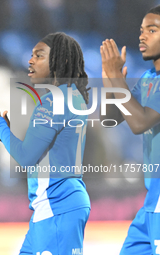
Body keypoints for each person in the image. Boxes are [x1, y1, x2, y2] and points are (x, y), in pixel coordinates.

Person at [0, 32, 91, 255]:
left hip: (57, 206)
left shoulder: (51, 102)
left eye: (39, 55)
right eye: (31, 55)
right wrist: (3, 132)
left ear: (61, 61)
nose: (30, 60)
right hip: (55, 207)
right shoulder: (72, 96)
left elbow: (26, 157)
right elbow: (45, 151)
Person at [100, 5, 160, 255]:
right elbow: (110, 119)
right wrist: (110, 83)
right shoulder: (148, 78)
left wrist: (117, 77)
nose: (142, 36)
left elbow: (139, 123)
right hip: (151, 201)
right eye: (141, 30)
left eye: (152, 30)